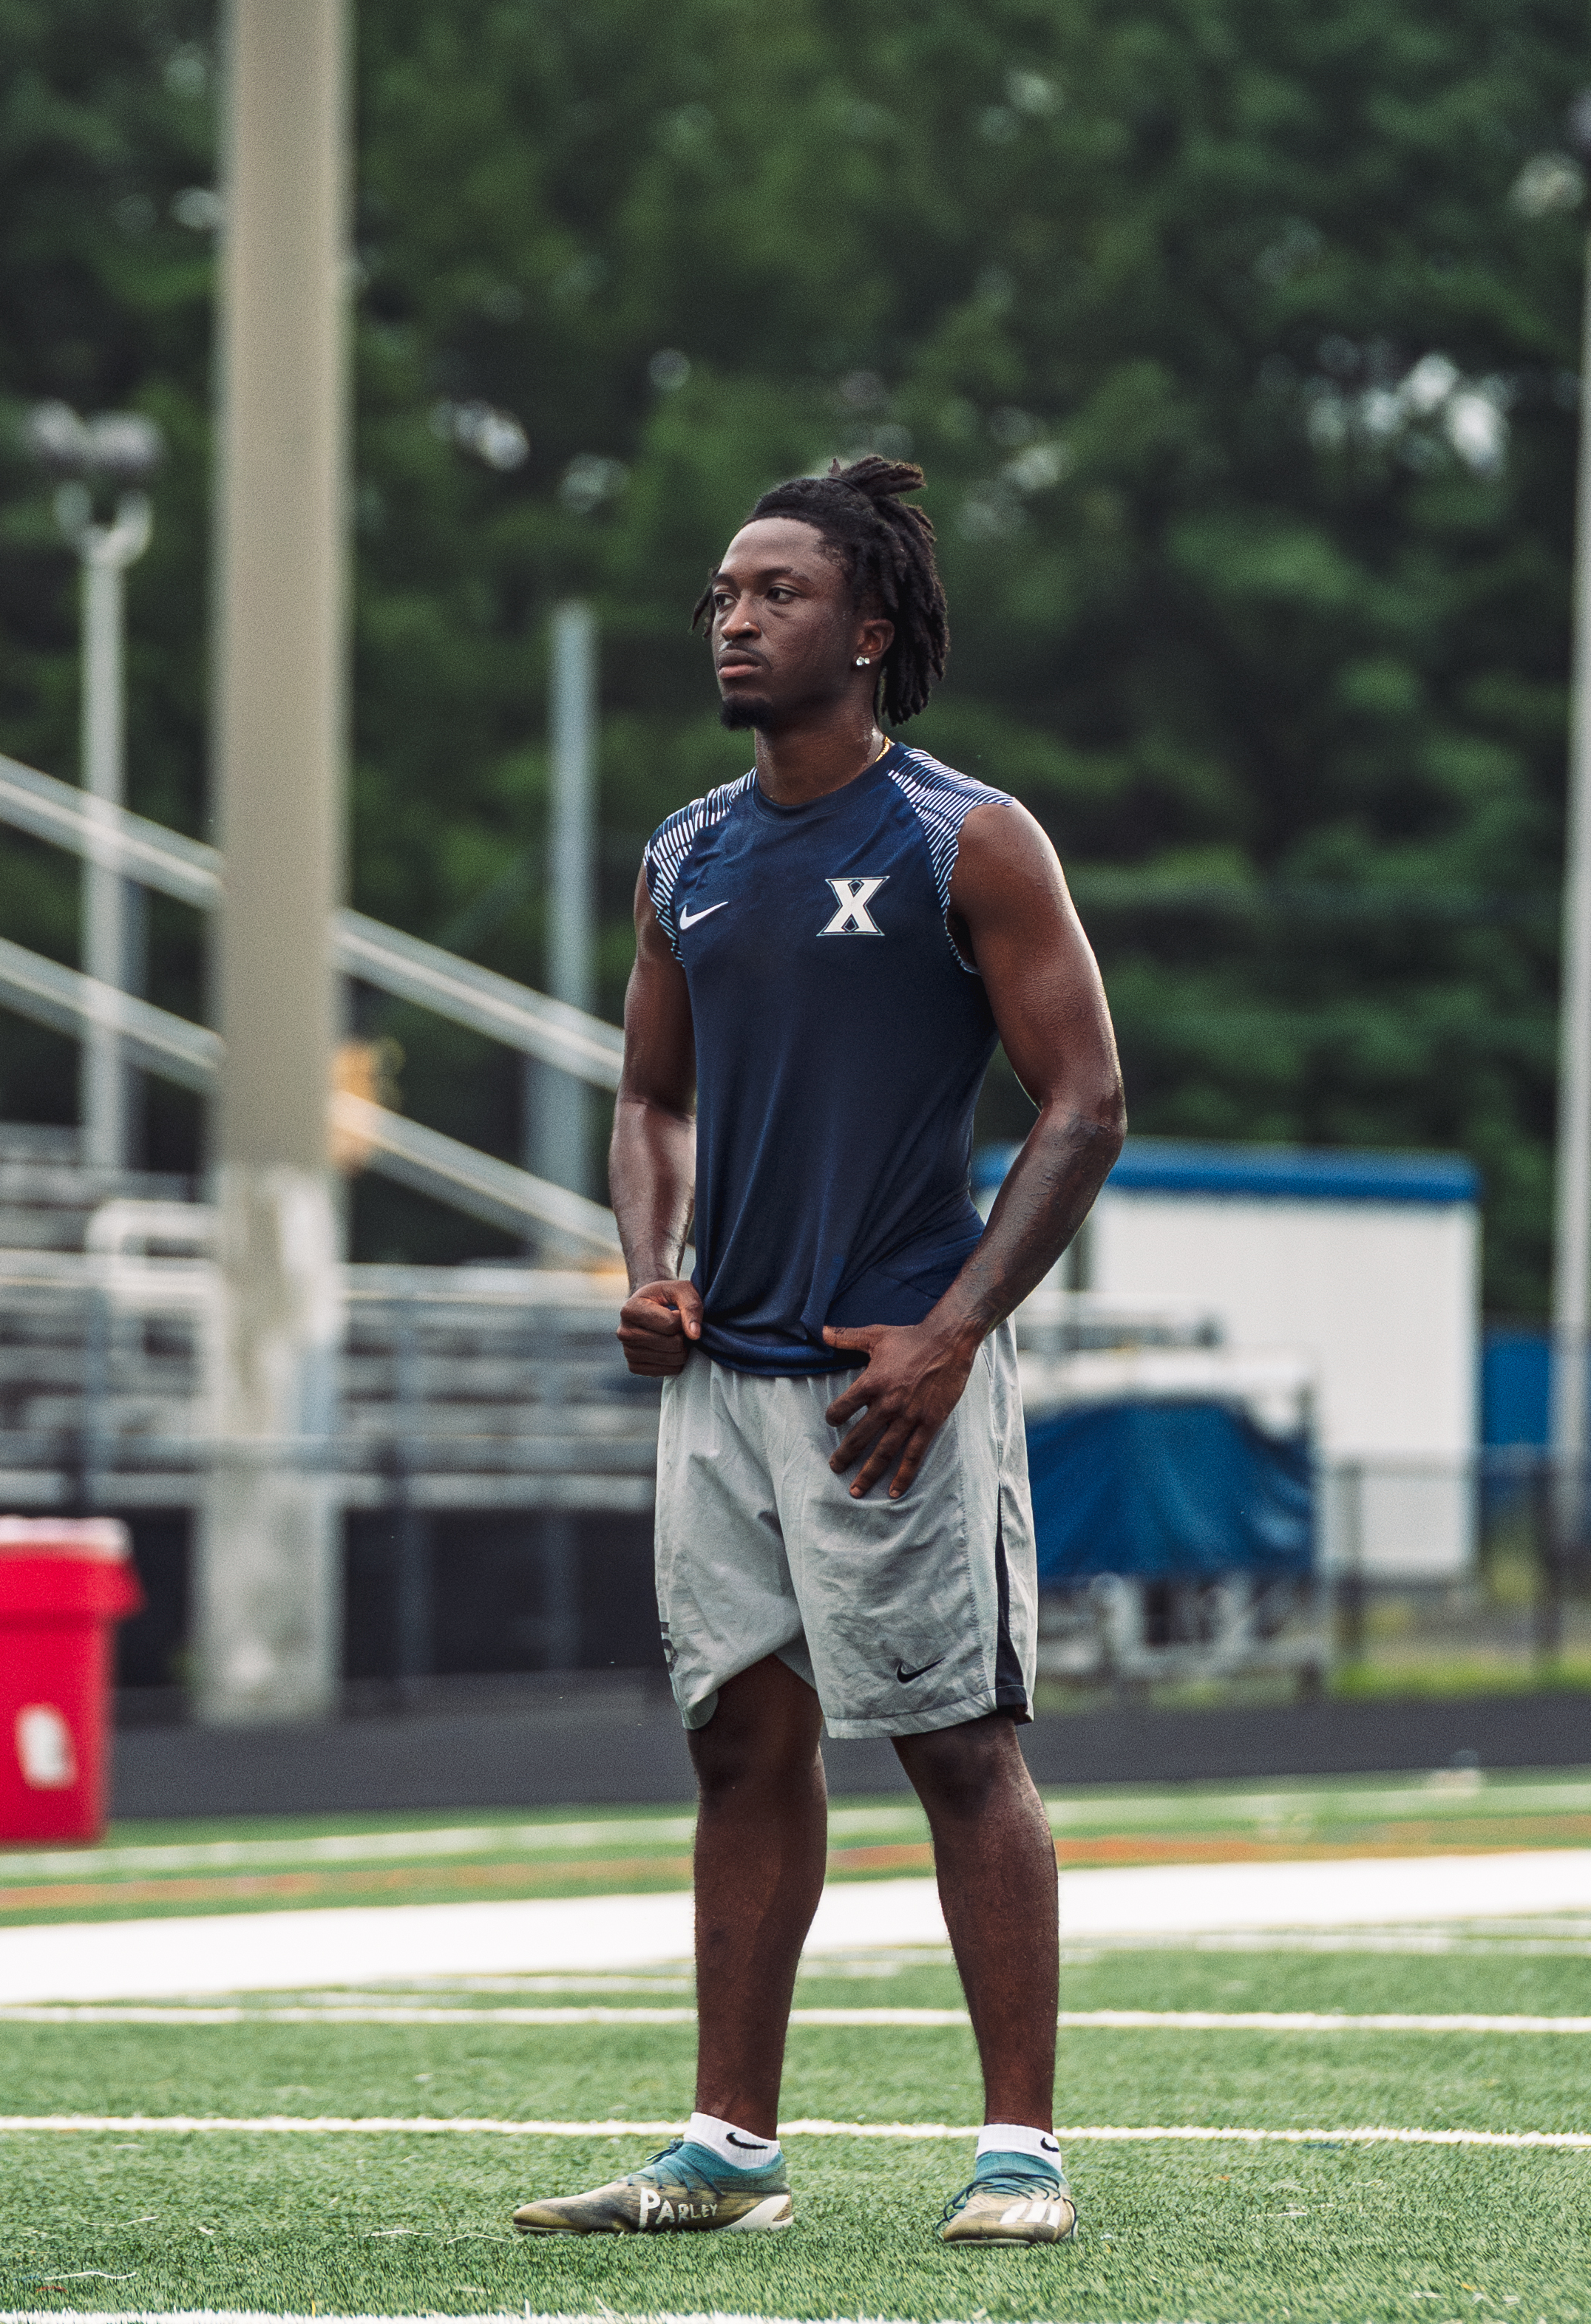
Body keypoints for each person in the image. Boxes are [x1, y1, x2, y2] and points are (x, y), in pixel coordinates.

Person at [511, 457, 1123, 2249]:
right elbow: (648, 1094)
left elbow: (1084, 1101)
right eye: (720, 592)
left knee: (959, 1746)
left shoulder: (966, 836)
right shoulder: (685, 854)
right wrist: (649, 1265)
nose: (732, 617)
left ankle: (1023, 2150)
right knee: (739, 1750)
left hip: (889, 1377)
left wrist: (951, 1335)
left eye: (773, 593)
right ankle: (729, 2149)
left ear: (867, 630)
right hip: (726, 1384)